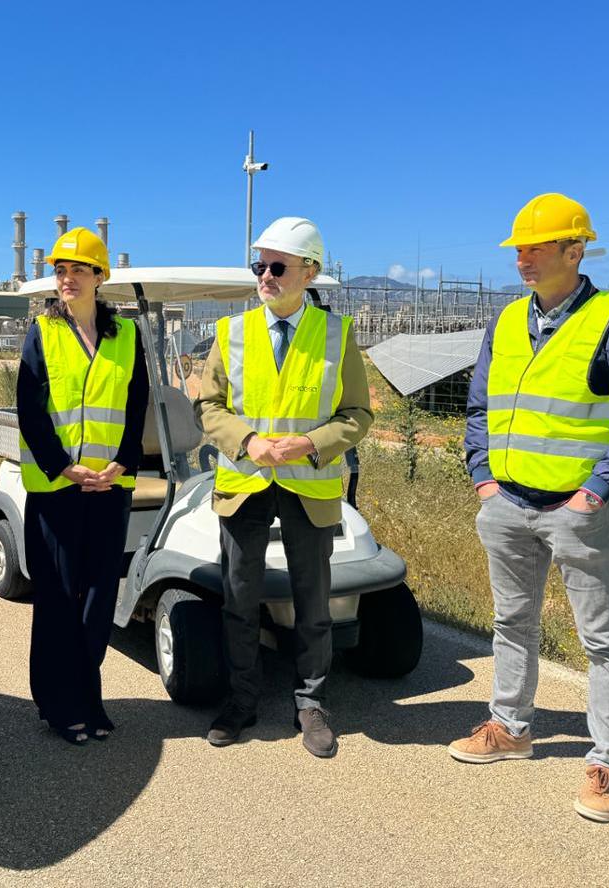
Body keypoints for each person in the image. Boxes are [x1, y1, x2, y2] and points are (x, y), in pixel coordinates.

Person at [448, 193, 609, 823]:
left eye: (537, 246)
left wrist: (595, 493)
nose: (524, 258)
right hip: (506, 502)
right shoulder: (508, 321)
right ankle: (510, 727)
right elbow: (479, 409)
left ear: (576, 250)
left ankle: (608, 760)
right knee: (510, 624)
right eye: (519, 248)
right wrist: (484, 479)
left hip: (581, 510)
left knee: (602, 638)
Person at [195, 217, 373, 756]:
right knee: (240, 600)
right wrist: (248, 441)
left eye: (277, 267)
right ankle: (241, 701)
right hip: (245, 483)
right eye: (260, 266)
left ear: (310, 271)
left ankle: (311, 704)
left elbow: (358, 414)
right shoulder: (230, 333)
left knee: (312, 601)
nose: (265, 276)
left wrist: (310, 444)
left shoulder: (337, 336)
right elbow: (208, 405)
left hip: (309, 487)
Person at [18, 227, 147, 745]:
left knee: (97, 600)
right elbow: (30, 410)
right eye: (60, 270)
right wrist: (64, 468)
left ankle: (89, 700)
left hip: (110, 488)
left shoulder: (127, 337)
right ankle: (58, 706)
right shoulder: (42, 332)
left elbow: (135, 406)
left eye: (77, 270)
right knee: (57, 599)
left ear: (99, 276)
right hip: (57, 489)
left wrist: (121, 464)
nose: (67, 279)